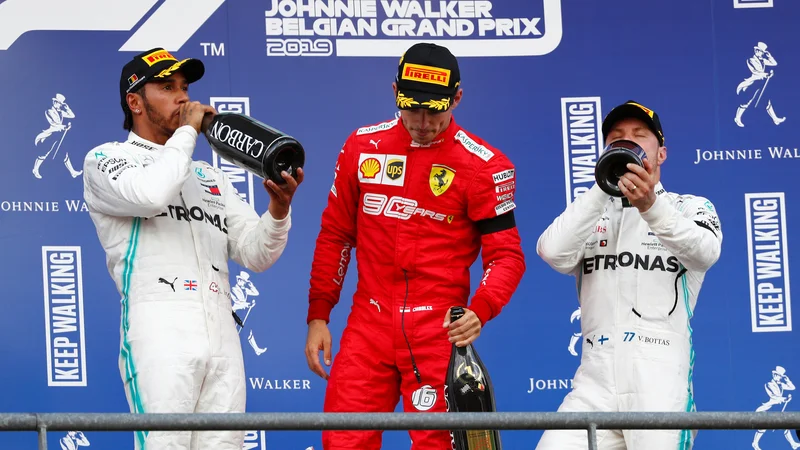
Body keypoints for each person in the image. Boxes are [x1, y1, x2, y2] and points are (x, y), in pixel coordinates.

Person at [304, 42, 526, 449]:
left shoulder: (486, 165)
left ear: (456, 98)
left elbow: (507, 256)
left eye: (435, 110)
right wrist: (319, 314)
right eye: (411, 108)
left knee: (437, 444)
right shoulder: (361, 147)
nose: (423, 121)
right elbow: (336, 234)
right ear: (394, 93)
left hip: (438, 331)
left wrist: (480, 310)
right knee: (343, 441)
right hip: (367, 324)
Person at [82, 47, 302, 450]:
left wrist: (278, 209)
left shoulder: (207, 175)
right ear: (135, 102)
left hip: (222, 331)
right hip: (159, 327)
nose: (183, 98)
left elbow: (257, 254)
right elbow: (151, 195)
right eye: (167, 88)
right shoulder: (107, 159)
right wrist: (187, 132)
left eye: (184, 87)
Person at [535, 100, 723, 450]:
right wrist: (603, 186)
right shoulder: (591, 213)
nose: (627, 142)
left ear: (661, 153)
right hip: (594, 379)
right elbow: (552, 252)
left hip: (659, 376)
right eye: (616, 138)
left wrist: (650, 206)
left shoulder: (689, 207)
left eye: (639, 136)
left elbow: (706, 252)